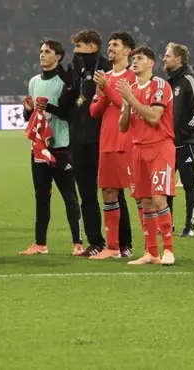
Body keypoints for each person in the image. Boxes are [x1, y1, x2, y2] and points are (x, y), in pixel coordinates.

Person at [20, 40, 83, 256]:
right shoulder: (33, 82)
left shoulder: (65, 82)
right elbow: (32, 118)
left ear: (58, 57)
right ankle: (40, 244)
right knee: (41, 196)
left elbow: (70, 113)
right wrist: (27, 111)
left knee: (69, 195)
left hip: (61, 146)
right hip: (38, 149)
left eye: (47, 52)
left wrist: (50, 107)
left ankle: (78, 243)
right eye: (41, 51)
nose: (42, 55)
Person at [117, 46, 177, 266]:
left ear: (151, 63)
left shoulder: (161, 86)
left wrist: (130, 99)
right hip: (138, 148)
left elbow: (153, 117)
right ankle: (151, 252)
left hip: (160, 146)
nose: (134, 61)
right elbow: (123, 127)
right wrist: (125, 105)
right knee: (145, 201)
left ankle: (168, 250)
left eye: (140, 58)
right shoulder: (131, 89)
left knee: (159, 197)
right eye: (133, 58)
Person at [87, 30, 138, 259]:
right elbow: (94, 111)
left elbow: (127, 104)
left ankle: (140, 245)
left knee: (136, 194)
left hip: (126, 142)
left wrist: (107, 88)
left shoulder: (132, 77)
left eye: (115, 44)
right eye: (109, 44)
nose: (110, 47)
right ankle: (114, 247)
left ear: (127, 51)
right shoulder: (104, 77)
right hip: (106, 142)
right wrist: (102, 91)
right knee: (108, 193)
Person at [60, 29, 107, 256]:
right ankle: (96, 242)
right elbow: (65, 106)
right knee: (87, 195)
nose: (75, 52)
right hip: (78, 141)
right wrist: (70, 81)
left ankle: (122, 244)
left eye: (78, 47)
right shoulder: (74, 71)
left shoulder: (106, 68)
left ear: (92, 47)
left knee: (112, 192)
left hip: (102, 140)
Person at [163, 43, 194, 237]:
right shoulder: (169, 82)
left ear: (178, 59)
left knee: (189, 184)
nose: (164, 58)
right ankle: (167, 225)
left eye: (168, 55)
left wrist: (183, 134)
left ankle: (190, 226)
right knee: (166, 185)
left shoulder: (189, 80)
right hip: (168, 143)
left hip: (186, 143)